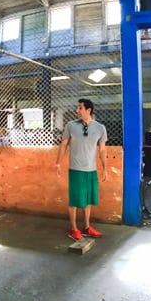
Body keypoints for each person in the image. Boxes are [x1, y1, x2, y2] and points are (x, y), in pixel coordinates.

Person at [55, 98, 108, 240]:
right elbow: (64, 145)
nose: (77, 110)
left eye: (80, 108)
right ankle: (73, 229)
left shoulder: (100, 128)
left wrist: (105, 169)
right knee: (75, 200)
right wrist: (58, 163)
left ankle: (86, 227)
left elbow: (102, 150)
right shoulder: (70, 126)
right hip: (76, 170)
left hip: (91, 170)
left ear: (88, 110)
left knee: (87, 200)